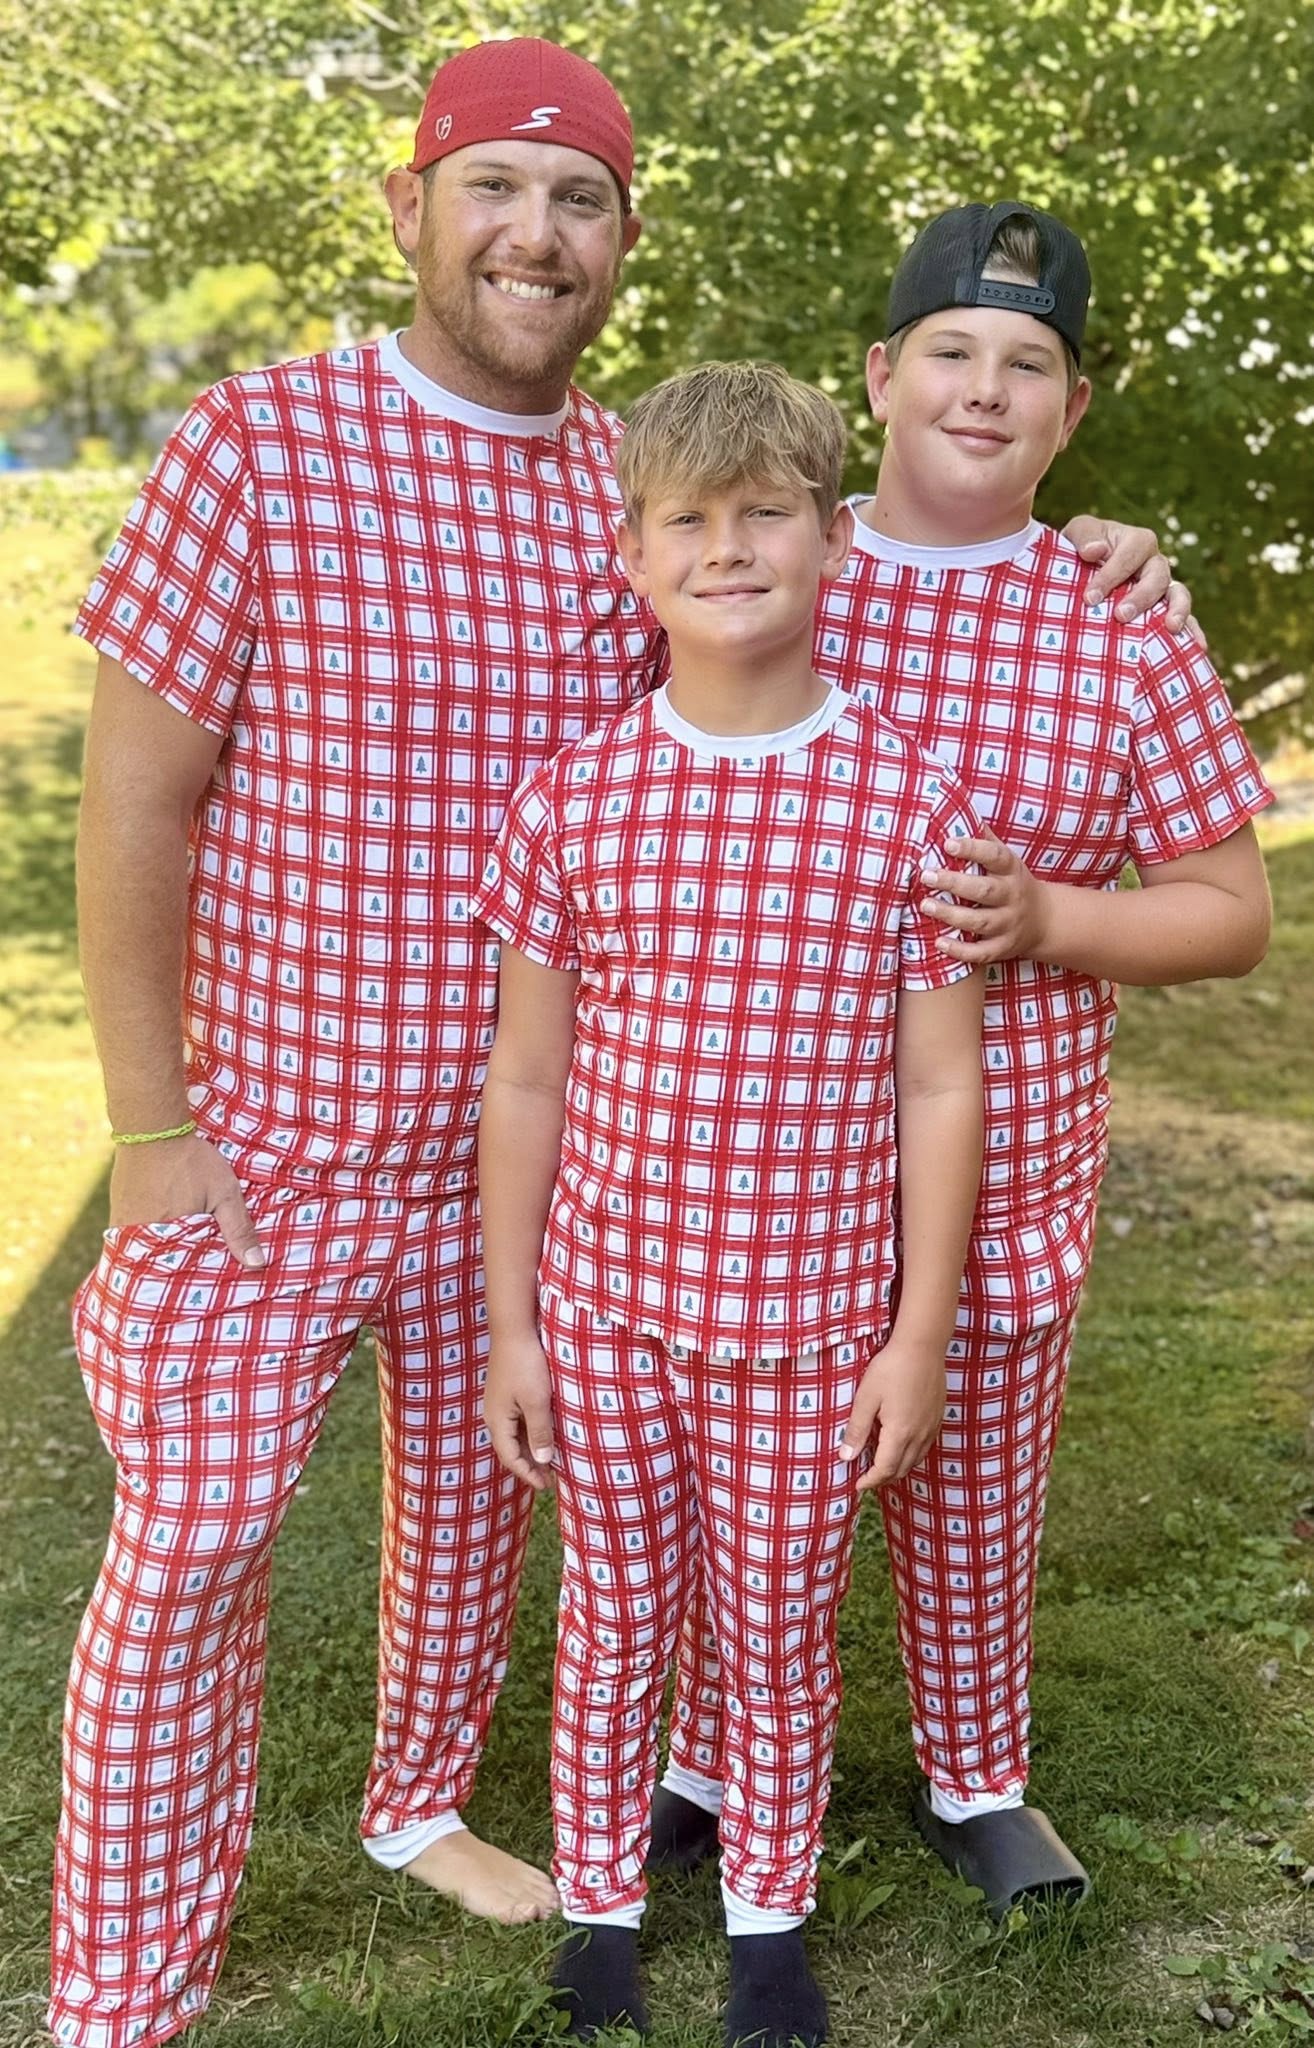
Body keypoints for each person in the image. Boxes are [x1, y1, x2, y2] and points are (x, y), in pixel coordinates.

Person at [53, 25, 1197, 2035]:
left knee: (476, 1523)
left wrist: (1098, 553)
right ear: (411, 205)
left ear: (619, 240)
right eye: (494, 184)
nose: (535, 229)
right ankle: (122, 1983)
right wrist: (149, 1122)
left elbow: (843, 611)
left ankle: (418, 1800)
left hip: (551, 1168)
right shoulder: (259, 441)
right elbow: (134, 797)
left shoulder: (635, 480)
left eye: (578, 196)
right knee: (197, 1542)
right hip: (274, 1129)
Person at [647, 202, 1273, 1920]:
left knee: (977, 1464)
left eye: (1029, 366)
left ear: (1070, 413)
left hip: (998, 1154)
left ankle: (973, 1771)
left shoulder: (1109, 614)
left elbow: (1227, 908)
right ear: (879, 374)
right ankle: (704, 1753)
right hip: (753, 1159)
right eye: (950, 352)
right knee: (725, 1468)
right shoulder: (774, 548)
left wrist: (1054, 918)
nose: (984, 392)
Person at [475, 359, 986, 2048]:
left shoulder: (908, 798)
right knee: (614, 1621)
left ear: (831, 539)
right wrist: (515, 1331)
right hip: (607, 1316)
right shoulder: (576, 800)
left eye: (763, 511)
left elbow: (934, 1085)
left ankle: (770, 1918)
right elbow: (530, 1081)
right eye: (686, 519)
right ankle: (602, 1911)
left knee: (772, 1631)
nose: (727, 546)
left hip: (811, 1329)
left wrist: (914, 1339)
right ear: (632, 557)